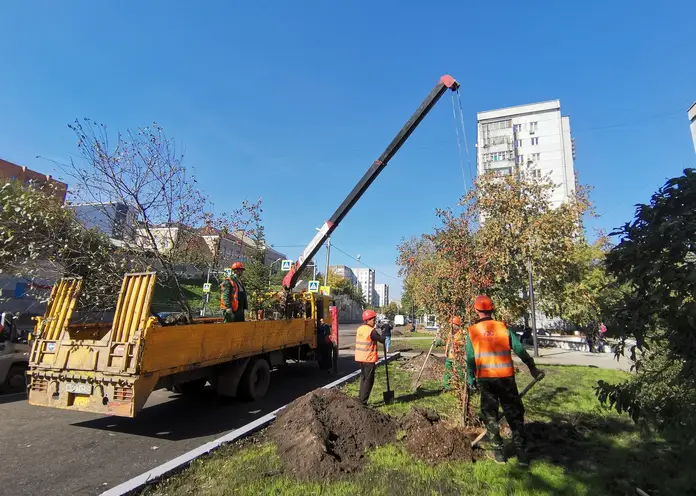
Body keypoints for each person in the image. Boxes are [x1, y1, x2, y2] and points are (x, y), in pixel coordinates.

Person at [466, 295, 542, 466]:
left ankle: (498, 452)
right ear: (492, 309)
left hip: (486, 380)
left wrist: (471, 378)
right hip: (506, 378)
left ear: (476, 310)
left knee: (490, 414)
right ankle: (521, 451)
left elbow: (470, 358)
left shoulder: (472, 331)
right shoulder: (502, 328)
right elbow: (519, 349)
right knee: (514, 413)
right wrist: (532, 367)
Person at [355, 309, 386, 405]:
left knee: (364, 378)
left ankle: (360, 398)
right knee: (369, 381)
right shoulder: (371, 331)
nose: (374, 322)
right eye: (373, 320)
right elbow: (381, 339)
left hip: (361, 358)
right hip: (368, 358)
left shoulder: (360, 329)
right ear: (368, 320)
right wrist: (384, 330)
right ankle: (363, 402)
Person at [442, 316, 466, 390]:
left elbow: (465, 343)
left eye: (452, 324)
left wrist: (457, 342)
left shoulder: (461, 333)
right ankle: (446, 386)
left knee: (460, 371)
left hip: (458, 356)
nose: (451, 326)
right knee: (447, 371)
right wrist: (446, 351)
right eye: (450, 324)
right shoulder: (450, 333)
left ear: (456, 325)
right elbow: (448, 342)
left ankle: (462, 385)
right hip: (450, 356)